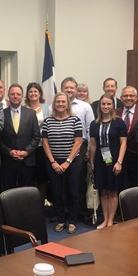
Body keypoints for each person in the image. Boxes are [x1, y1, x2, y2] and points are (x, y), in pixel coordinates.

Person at [42, 92, 83, 234]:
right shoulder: (47, 121)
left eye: (63, 102)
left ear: (67, 104)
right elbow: (45, 143)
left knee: (73, 192)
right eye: (58, 102)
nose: (60, 104)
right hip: (53, 161)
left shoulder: (75, 120)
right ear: (54, 104)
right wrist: (53, 162)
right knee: (56, 192)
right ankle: (60, 220)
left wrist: (67, 162)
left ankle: (72, 221)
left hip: (72, 162)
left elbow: (78, 143)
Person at [90, 94, 127, 230]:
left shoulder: (119, 122)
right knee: (103, 191)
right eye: (103, 104)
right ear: (100, 106)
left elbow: (123, 143)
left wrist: (120, 162)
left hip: (115, 161)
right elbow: (93, 144)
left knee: (112, 191)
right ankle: (105, 220)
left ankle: (111, 221)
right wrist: (92, 163)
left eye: (108, 104)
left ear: (113, 106)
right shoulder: (94, 123)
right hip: (100, 161)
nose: (106, 107)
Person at [60, 77, 94, 224]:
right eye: (66, 87)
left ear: (75, 89)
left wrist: (88, 150)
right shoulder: (56, 105)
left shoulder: (84, 107)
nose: (69, 90)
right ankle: (64, 211)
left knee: (79, 180)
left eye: (71, 88)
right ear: (62, 89)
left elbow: (90, 129)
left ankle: (81, 211)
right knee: (62, 181)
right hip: (60, 147)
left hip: (80, 147)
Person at [0, 84, 40, 190]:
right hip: (8, 160)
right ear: (8, 96)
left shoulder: (31, 114)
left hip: (27, 160)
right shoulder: (1, 114)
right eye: (12, 94)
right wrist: (9, 151)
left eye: (18, 94)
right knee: (8, 190)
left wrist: (26, 151)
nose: (15, 96)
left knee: (26, 192)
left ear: (22, 96)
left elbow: (36, 136)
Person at [25, 82, 52, 205]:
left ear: (40, 93)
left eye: (35, 91)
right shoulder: (24, 108)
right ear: (27, 94)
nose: (33, 93)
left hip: (43, 147)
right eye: (30, 91)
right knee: (30, 176)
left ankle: (41, 202)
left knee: (42, 177)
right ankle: (31, 204)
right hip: (29, 147)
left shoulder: (47, 108)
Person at [116, 86, 138, 187]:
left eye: (131, 95)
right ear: (121, 98)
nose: (128, 98)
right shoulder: (114, 113)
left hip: (137, 157)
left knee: (136, 187)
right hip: (118, 157)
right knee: (119, 185)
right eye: (125, 96)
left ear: (136, 98)